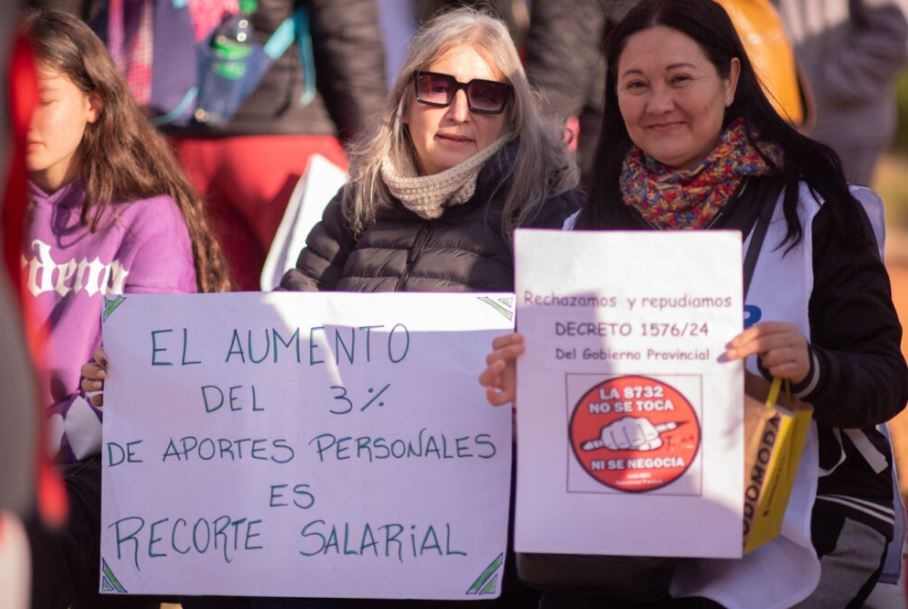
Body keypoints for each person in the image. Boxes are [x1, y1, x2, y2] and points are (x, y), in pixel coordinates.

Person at [479, 1, 908, 608]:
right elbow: (566, 427)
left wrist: (811, 368)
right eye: (635, 85)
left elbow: (884, 381)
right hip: (624, 532)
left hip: (794, 520)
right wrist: (529, 387)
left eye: (681, 79)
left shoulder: (813, 212)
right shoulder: (578, 232)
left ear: (731, 79)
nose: (658, 104)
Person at [20, 9, 230, 609]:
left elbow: (148, 376)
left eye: (47, 98)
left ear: (93, 104)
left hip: (97, 468)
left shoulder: (146, 218)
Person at [775, 0, 908, 185]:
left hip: (845, 130)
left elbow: (895, 35)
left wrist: (829, 84)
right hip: (785, 128)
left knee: (840, 212)